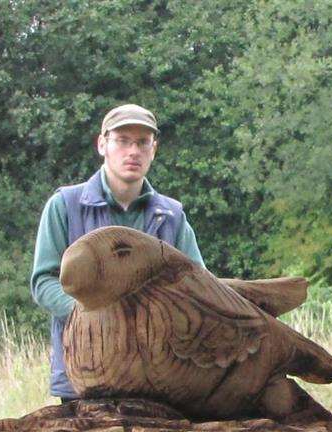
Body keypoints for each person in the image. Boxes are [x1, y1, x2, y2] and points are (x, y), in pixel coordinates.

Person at [31, 103, 204, 402]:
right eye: (122, 141)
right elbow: (44, 281)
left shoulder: (172, 215)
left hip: (160, 379)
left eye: (142, 142)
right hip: (85, 377)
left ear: (154, 149)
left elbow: (200, 286)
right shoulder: (65, 206)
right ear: (102, 144)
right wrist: (93, 316)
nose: (133, 151)